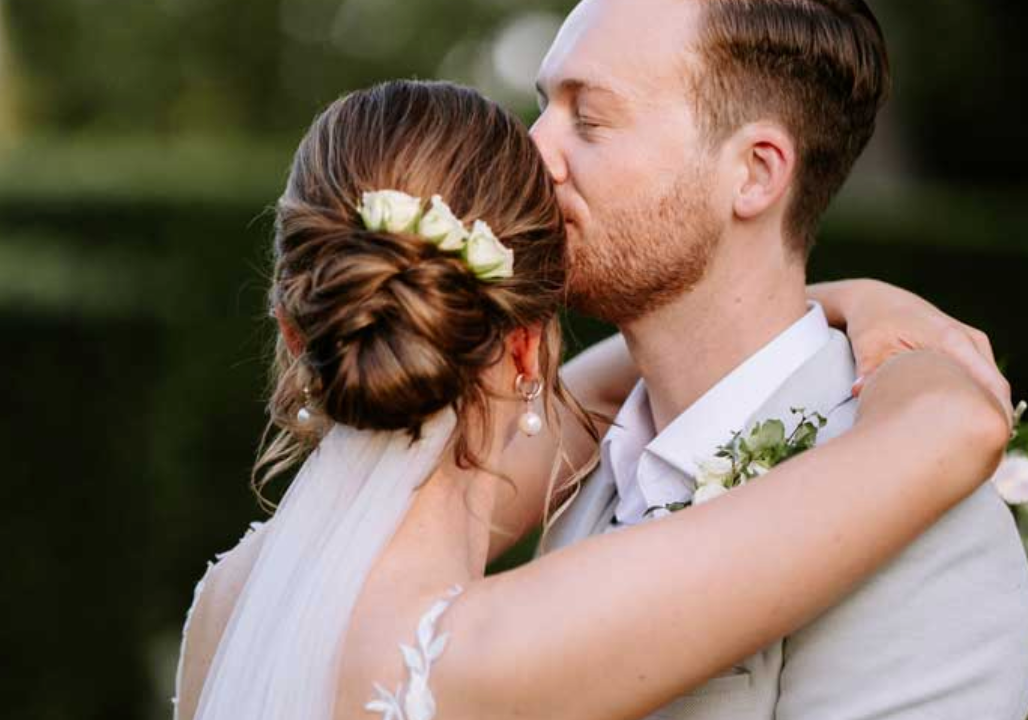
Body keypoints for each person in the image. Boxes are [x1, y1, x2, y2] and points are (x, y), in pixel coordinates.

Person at [173, 81, 1015, 720]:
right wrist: (878, 307)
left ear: (292, 327)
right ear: (528, 344)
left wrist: (837, 300)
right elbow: (958, 423)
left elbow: (597, 386)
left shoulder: (233, 603)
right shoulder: (486, 651)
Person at [530, 0, 1028, 718]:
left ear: (756, 175)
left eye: (591, 118)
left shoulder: (920, 511)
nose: (531, 148)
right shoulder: (580, 461)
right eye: (544, 106)